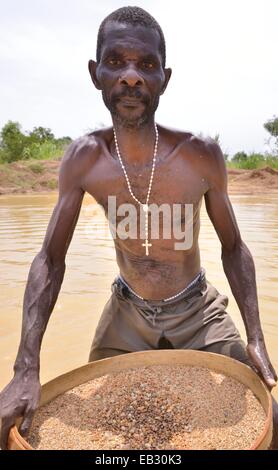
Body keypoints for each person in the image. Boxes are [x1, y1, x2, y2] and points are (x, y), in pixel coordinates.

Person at [0, 6, 277, 450]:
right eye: (117, 62)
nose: (131, 76)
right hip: (125, 314)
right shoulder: (84, 159)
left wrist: (257, 339)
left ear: (165, 78)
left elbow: (234, 248)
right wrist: (24, 367)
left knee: (270, 418)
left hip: (198, 312)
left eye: (146, 64)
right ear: (96, 73)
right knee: (39, 424)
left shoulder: (199, 156)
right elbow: (51, 259)